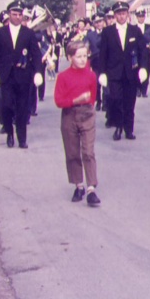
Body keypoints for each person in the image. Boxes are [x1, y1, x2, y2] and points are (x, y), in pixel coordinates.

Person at [0, 1, 43, 148]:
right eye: (14, 14)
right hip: (6, 76)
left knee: (22, 108)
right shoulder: (0, 33)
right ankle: (9, 133)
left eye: (20, 15)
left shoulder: (28, 33)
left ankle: (22, 138)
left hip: (23, 75)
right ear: (9, 15)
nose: (18, 17)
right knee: (6, 106)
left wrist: (38, 72)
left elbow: (36, 54)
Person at [53, 40, 101, 206]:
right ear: (69, 57)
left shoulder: (91, 75)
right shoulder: (63, 77)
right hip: (69, 115)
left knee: (88, 151)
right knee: (72, 152)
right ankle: (78, 185)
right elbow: (59, 101)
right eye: (78, 56)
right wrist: (75, 100)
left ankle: (91, 189)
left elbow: (93, 95)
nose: (82, 60)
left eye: (85, 56)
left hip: (86, 114)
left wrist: (88, 106)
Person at [98, 1, 149, 141]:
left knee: (129, 102)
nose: (121, 16)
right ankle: (118, 127)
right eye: (119, 14)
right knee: (116, 100)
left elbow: (143, 51)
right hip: (114, 73)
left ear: (127, 14)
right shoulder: (107, 32)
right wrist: (102, 72)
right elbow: (103, 54)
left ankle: (129, 129)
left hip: (130, 73)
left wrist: (143, 68)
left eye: (124, 13)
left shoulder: (135, 31)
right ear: (115, 15)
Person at [133, 9, 150, 98]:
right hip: (136, 52)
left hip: (146, 52)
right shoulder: (134, 28)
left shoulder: (149, 27)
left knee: (146, 70)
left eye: (142, 17)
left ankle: (144, 90)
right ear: (137, 18)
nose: (141, 18)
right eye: (139, 17)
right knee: (136, 70)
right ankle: (138, 89)